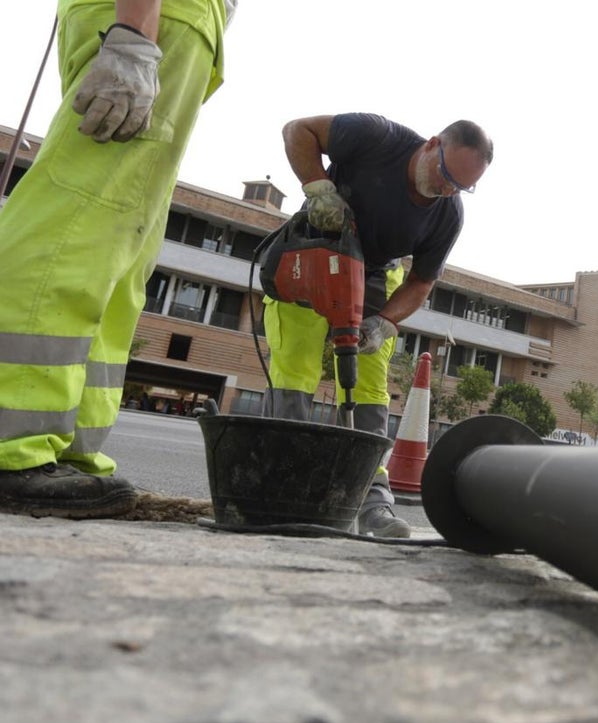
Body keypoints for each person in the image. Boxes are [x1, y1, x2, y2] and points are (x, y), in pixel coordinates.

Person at [0, 0, 236, 518]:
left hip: (168, 24)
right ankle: (12, 447)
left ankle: (66, 451)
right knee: (75, 227)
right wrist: (134, 34)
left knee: (119, 254)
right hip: (153, 18)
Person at [262, 113, 493, 538]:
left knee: (369, 390)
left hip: (373, 276)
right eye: (445, 175)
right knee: (294, 374)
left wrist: (384, 323)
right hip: (314, 253)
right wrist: (318, 187)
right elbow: (299, 130)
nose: (446, 189)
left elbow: (421, 282)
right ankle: (286, 488)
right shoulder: (378, 137)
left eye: (460, 187)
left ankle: (371, 501)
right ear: (431, 144)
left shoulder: (447, 216)